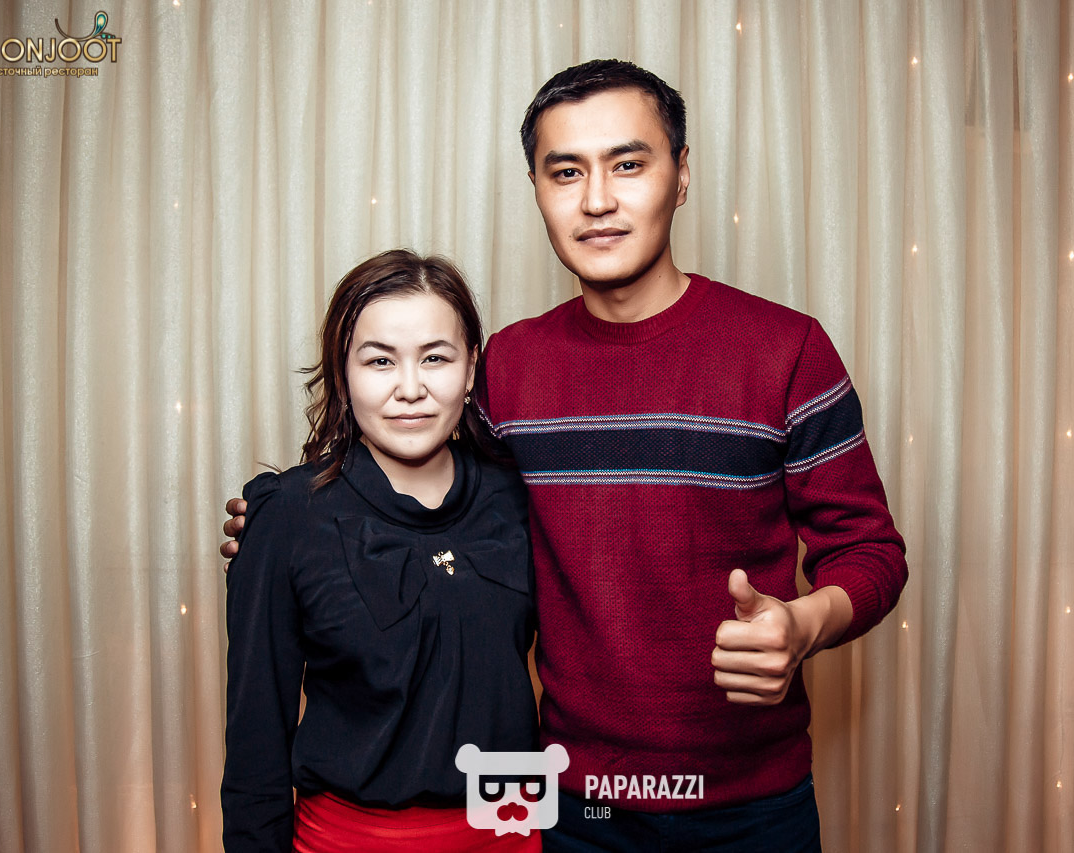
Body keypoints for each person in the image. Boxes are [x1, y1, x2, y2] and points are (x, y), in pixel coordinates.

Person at [225, 60, 906, 852]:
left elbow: (871, 550)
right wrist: (284, 524)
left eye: (628, 164)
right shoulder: (508, 369)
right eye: (566, 172)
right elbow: (423, 496)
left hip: (750, 806)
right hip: (575, 806)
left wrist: (805, 622)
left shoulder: (787, 349)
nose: (597, 199)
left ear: (682, 174)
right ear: (537, 189)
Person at [221, 249, 540, 852]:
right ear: (343, 374)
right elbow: (255, 743)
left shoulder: (520, 495)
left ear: (471, 367)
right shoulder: (287, 515)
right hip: (348, 840)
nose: (410, 389)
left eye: (436, 358)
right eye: (380, 361)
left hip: (514, 833)